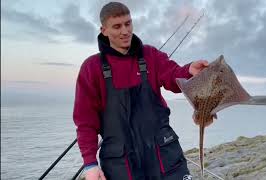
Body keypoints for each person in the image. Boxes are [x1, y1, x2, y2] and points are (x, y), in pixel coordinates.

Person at [73, 2, 211, 180]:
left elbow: (173, 76)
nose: (125, 31)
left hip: (164, 155)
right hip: (121, 164)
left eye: (128, 23)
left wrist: (189, 71)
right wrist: (91, 164)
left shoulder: (150, 55)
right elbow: (85, 122)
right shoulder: (92, 68)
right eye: (117, 26)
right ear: (104, 30)